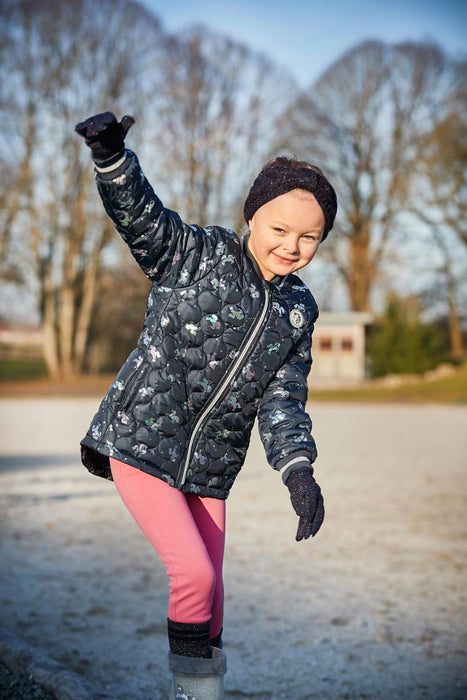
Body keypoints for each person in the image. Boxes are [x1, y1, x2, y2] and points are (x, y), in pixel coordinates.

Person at [75, 111, 337, 700]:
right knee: (190, 574)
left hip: (210, 470)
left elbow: (283, 399)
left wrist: (299, 471)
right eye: (279, 229)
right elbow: (144, 222)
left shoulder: (299, 311)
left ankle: (197, 691)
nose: (291, 246)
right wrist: (113, 158)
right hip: (141, 442)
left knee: (213, 593)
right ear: (253, 218)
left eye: (309, 237)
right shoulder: (200, 255)